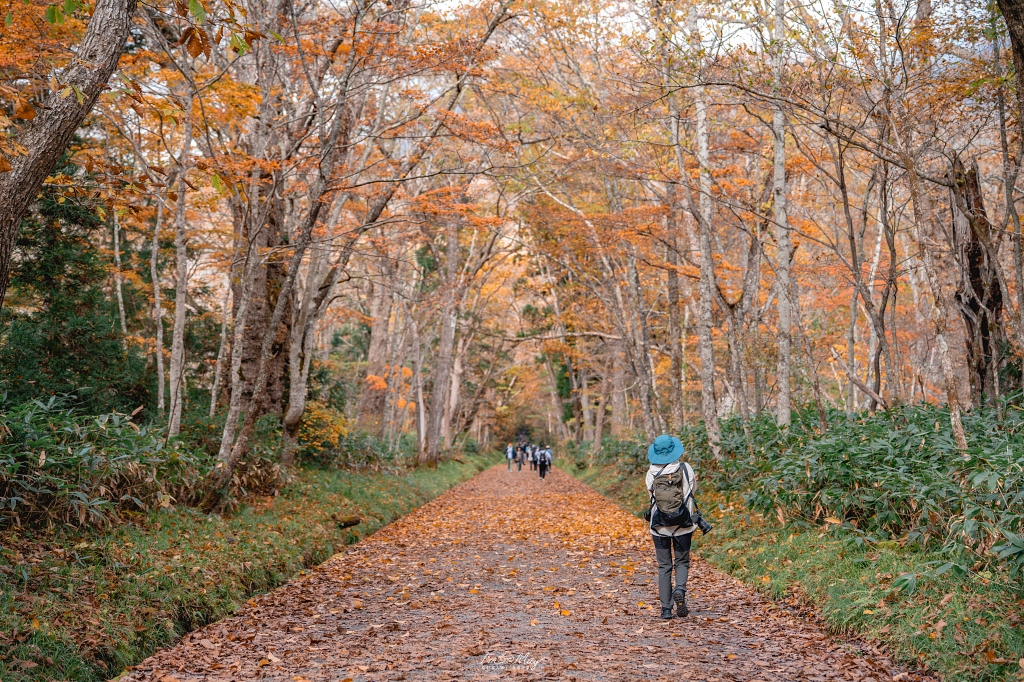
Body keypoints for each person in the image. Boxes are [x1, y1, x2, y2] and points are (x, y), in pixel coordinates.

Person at [645, 434, 696, 620]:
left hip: (659, 526)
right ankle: (680, 590)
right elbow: (691, 492)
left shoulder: (651, 472)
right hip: (683, 524)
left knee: (664, 566)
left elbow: (652, 496)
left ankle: (666, 609)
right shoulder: (685, 469)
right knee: (682, 562)